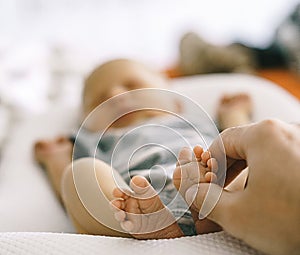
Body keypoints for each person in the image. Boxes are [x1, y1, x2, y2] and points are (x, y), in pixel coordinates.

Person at [34, 59, 252, 240]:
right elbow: (69, 195)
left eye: (132, 85)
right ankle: (151, 227)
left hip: (212, 184)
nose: (116, 96)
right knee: (79, 174)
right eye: (99, 101)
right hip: (138, 204)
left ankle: (208, 212)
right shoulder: (97, 140)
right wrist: (57, 158)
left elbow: (238, 136)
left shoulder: (192, 120)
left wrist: (233, 113)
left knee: (242, 161)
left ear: (174, 102)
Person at [173, 119, 300, 255]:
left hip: (202, 145)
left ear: (177, 105)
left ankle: (182, 225)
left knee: (244, 165)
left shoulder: (199, 123)